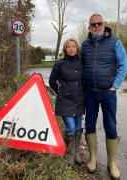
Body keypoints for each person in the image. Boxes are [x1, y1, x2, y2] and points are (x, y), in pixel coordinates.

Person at [81, 13, 127, 179]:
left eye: (99, 23)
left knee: (110, 125)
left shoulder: (115, 43)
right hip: (89, 92)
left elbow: (123, 65)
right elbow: (78, 67)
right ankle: (93, 158)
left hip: (107, 93)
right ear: (89, 27)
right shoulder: (84, 45)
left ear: (104, 24)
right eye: (93, 24)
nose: (96, 26)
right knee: (90, 123)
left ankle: (112, 162)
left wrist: (115, 86)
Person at [49, 38, 84, 166]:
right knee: (71, 128)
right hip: (65, 100)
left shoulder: (81, 62)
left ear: (77, 48)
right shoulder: (60, 64)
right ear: (65, 49)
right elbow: (52, 81)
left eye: (73, 46)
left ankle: (76, 153)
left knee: (78, 128)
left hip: (79, 100)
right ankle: (69, 154)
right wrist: (60, 92)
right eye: (68, 46)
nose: (71, 48)